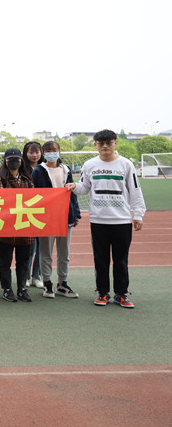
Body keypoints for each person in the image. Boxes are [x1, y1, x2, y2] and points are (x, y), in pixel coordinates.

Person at [67, 129, 146, 308]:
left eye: (109, 143)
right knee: (100, 259)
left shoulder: (126, 165)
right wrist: (74, 186)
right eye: (101, 143)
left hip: (122, 220)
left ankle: (121, 294)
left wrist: (138, 214)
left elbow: (135, 190)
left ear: (115, 143)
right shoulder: (89, 165)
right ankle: (102, 293)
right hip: (99, 220)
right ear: (95, 145)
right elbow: (85, 187)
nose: (105, 146)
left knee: (121, 260)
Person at [33, 140, 82, 299]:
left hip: (65, 216)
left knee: (64, 253)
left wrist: (76, 213)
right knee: (45, 252)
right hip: (46, 218)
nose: (51, 153)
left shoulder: (66, 170)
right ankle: (47, 283)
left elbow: (72, 193)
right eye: (47, 150)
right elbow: (34, 194)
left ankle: (63, 283)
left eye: (54, 150)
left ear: (59, 152)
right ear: (43, 153)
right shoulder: (38, 171)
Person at [0, 148, 35, 302]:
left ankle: (22, 288)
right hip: (6, 226)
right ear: (5, 161)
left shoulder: (27, 178)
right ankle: (7, 289)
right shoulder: (0, 178)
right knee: (5, 261)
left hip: (24, 225)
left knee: (23, 261)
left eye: (16, 159)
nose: (14, 162)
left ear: (21, 161)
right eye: (10, 160)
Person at [22, 141, 45, 289]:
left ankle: (38, 275)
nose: (34, 155)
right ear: (26, 153)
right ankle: (26, 276)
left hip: (43, 212)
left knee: (42, 247)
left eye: (37, 152)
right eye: (31, 152)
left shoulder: (45, 168)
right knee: (29, 248)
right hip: (27, 213)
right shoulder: (22, 169)